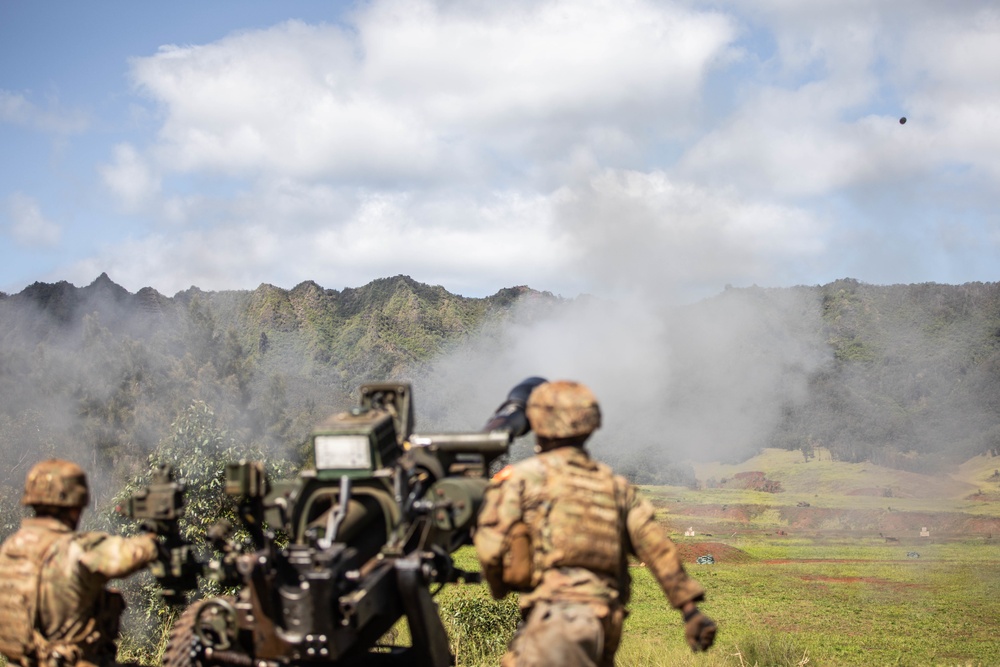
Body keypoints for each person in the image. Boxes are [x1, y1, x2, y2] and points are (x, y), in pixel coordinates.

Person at [474, 381, 716, 666]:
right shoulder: (615, 486)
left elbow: (491, 549)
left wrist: (499, 587)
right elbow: (657, 547)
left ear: (536, 422)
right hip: (605, 622)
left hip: (557, 621)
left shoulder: (524, 479)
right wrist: (690, 610)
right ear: (590, 424)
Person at [0, 459, 160, 667]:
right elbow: (129, 555)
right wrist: (153, 542)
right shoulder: (74, 548)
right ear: (75, 507)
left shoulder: (10, 548)